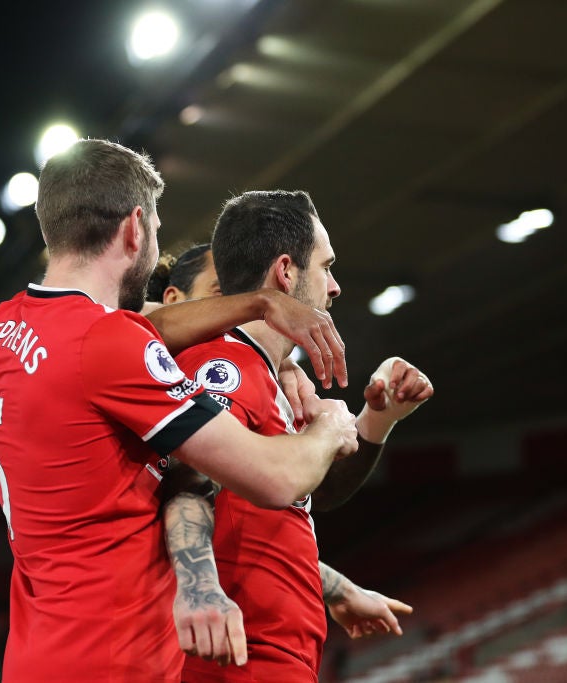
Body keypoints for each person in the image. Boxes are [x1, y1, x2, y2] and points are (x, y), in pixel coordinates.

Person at [0, 139, 359, 682]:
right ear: (135, 227)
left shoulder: (7, 325)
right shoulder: (106, 344)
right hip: (113, 657)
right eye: (156, 228)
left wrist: (260, 306)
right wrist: (330, 427)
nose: (156, 249)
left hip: (39, 651)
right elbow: (274, 479)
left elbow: (137, 328)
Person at [174, 190, 434, 683]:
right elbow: (187, 486)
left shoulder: (271, 377)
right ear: (286, 272)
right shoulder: (220, 367)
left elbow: (308, 492)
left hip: (274, 653)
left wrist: (378, 419)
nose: (334, 287)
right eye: (326, 266)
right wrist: (200, 589)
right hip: (237, 657)